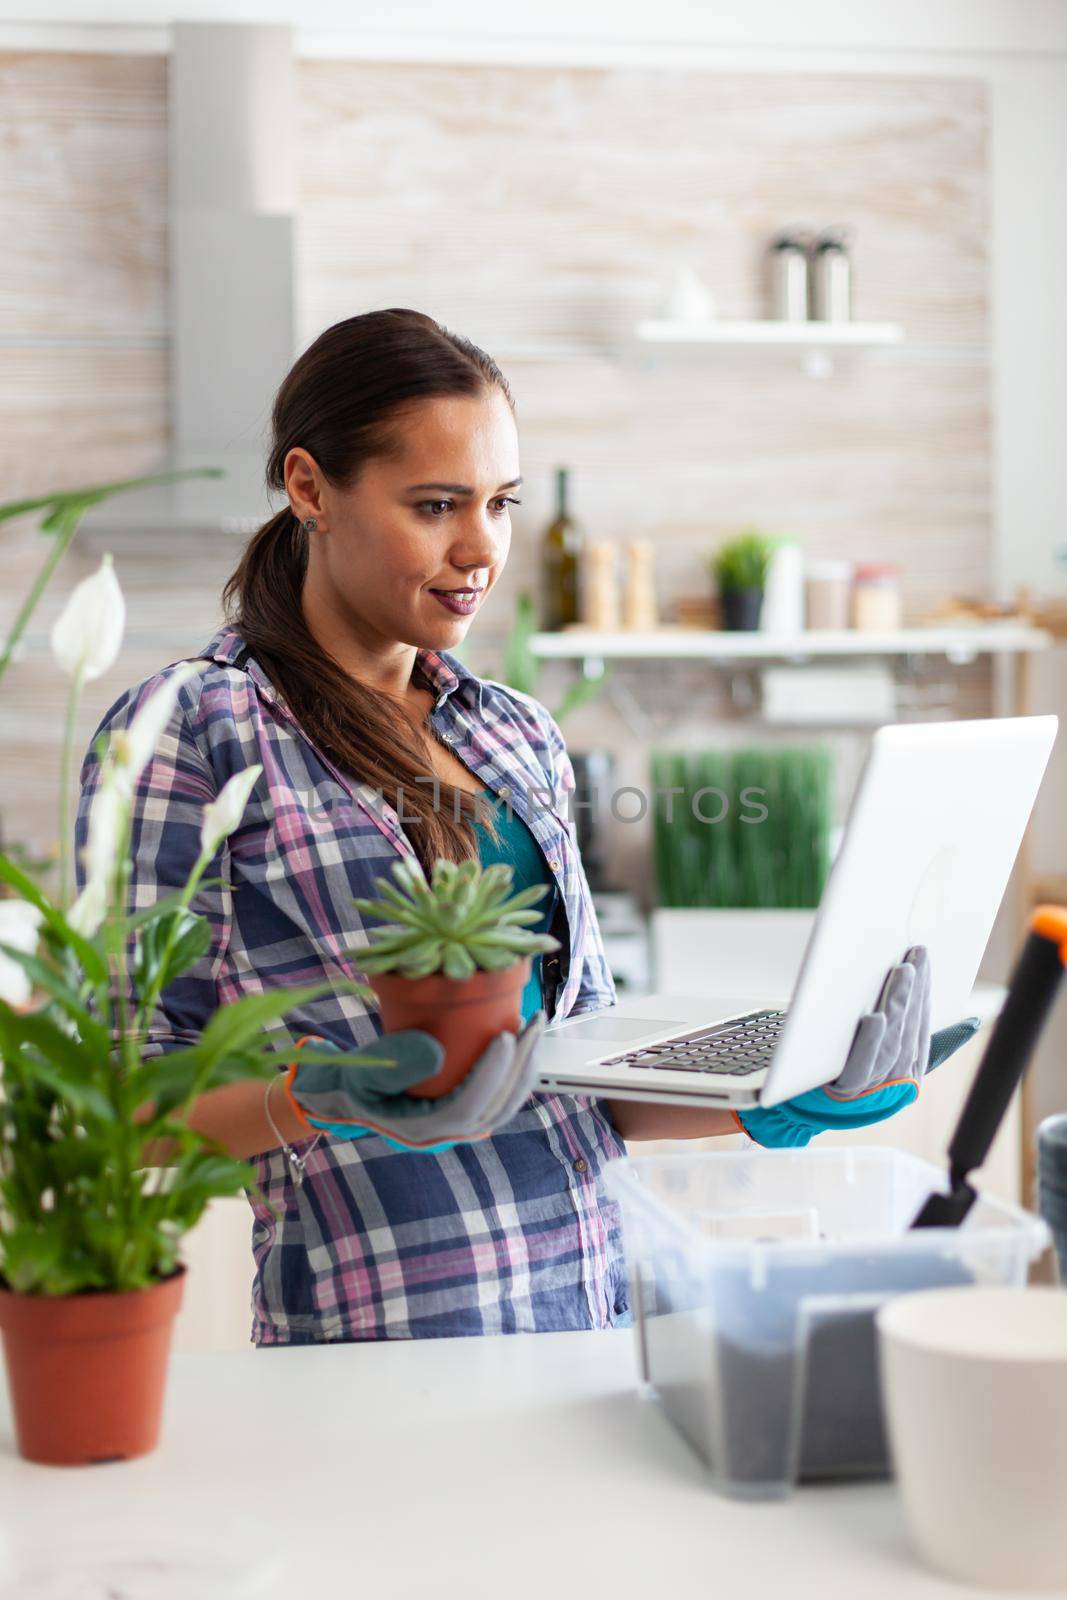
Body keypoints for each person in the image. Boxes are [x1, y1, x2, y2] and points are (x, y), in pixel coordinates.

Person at [75, 309, 973, 1345]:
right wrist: (321, 1096)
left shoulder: (513, 734)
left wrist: (784, 1092)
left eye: (498, 503)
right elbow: (121, 1108)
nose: (481, 548)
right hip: (383, 1340)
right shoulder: (193, 727)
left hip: (598, 1310)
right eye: (435, 504)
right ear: (310, 486)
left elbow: (573, 1084)